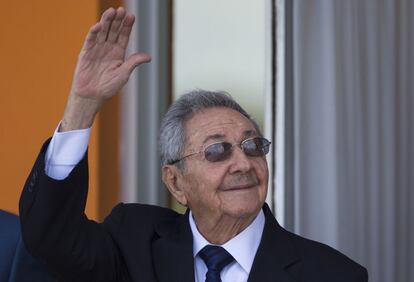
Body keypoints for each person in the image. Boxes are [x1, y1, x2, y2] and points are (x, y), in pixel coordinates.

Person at [19, 6, 368, 282]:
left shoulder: (332, 273)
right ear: (176, 182)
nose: (243, 163)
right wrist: (82, 105)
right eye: (217, 151)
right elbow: (51, 237)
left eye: (252, 146)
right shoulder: (134, 243)